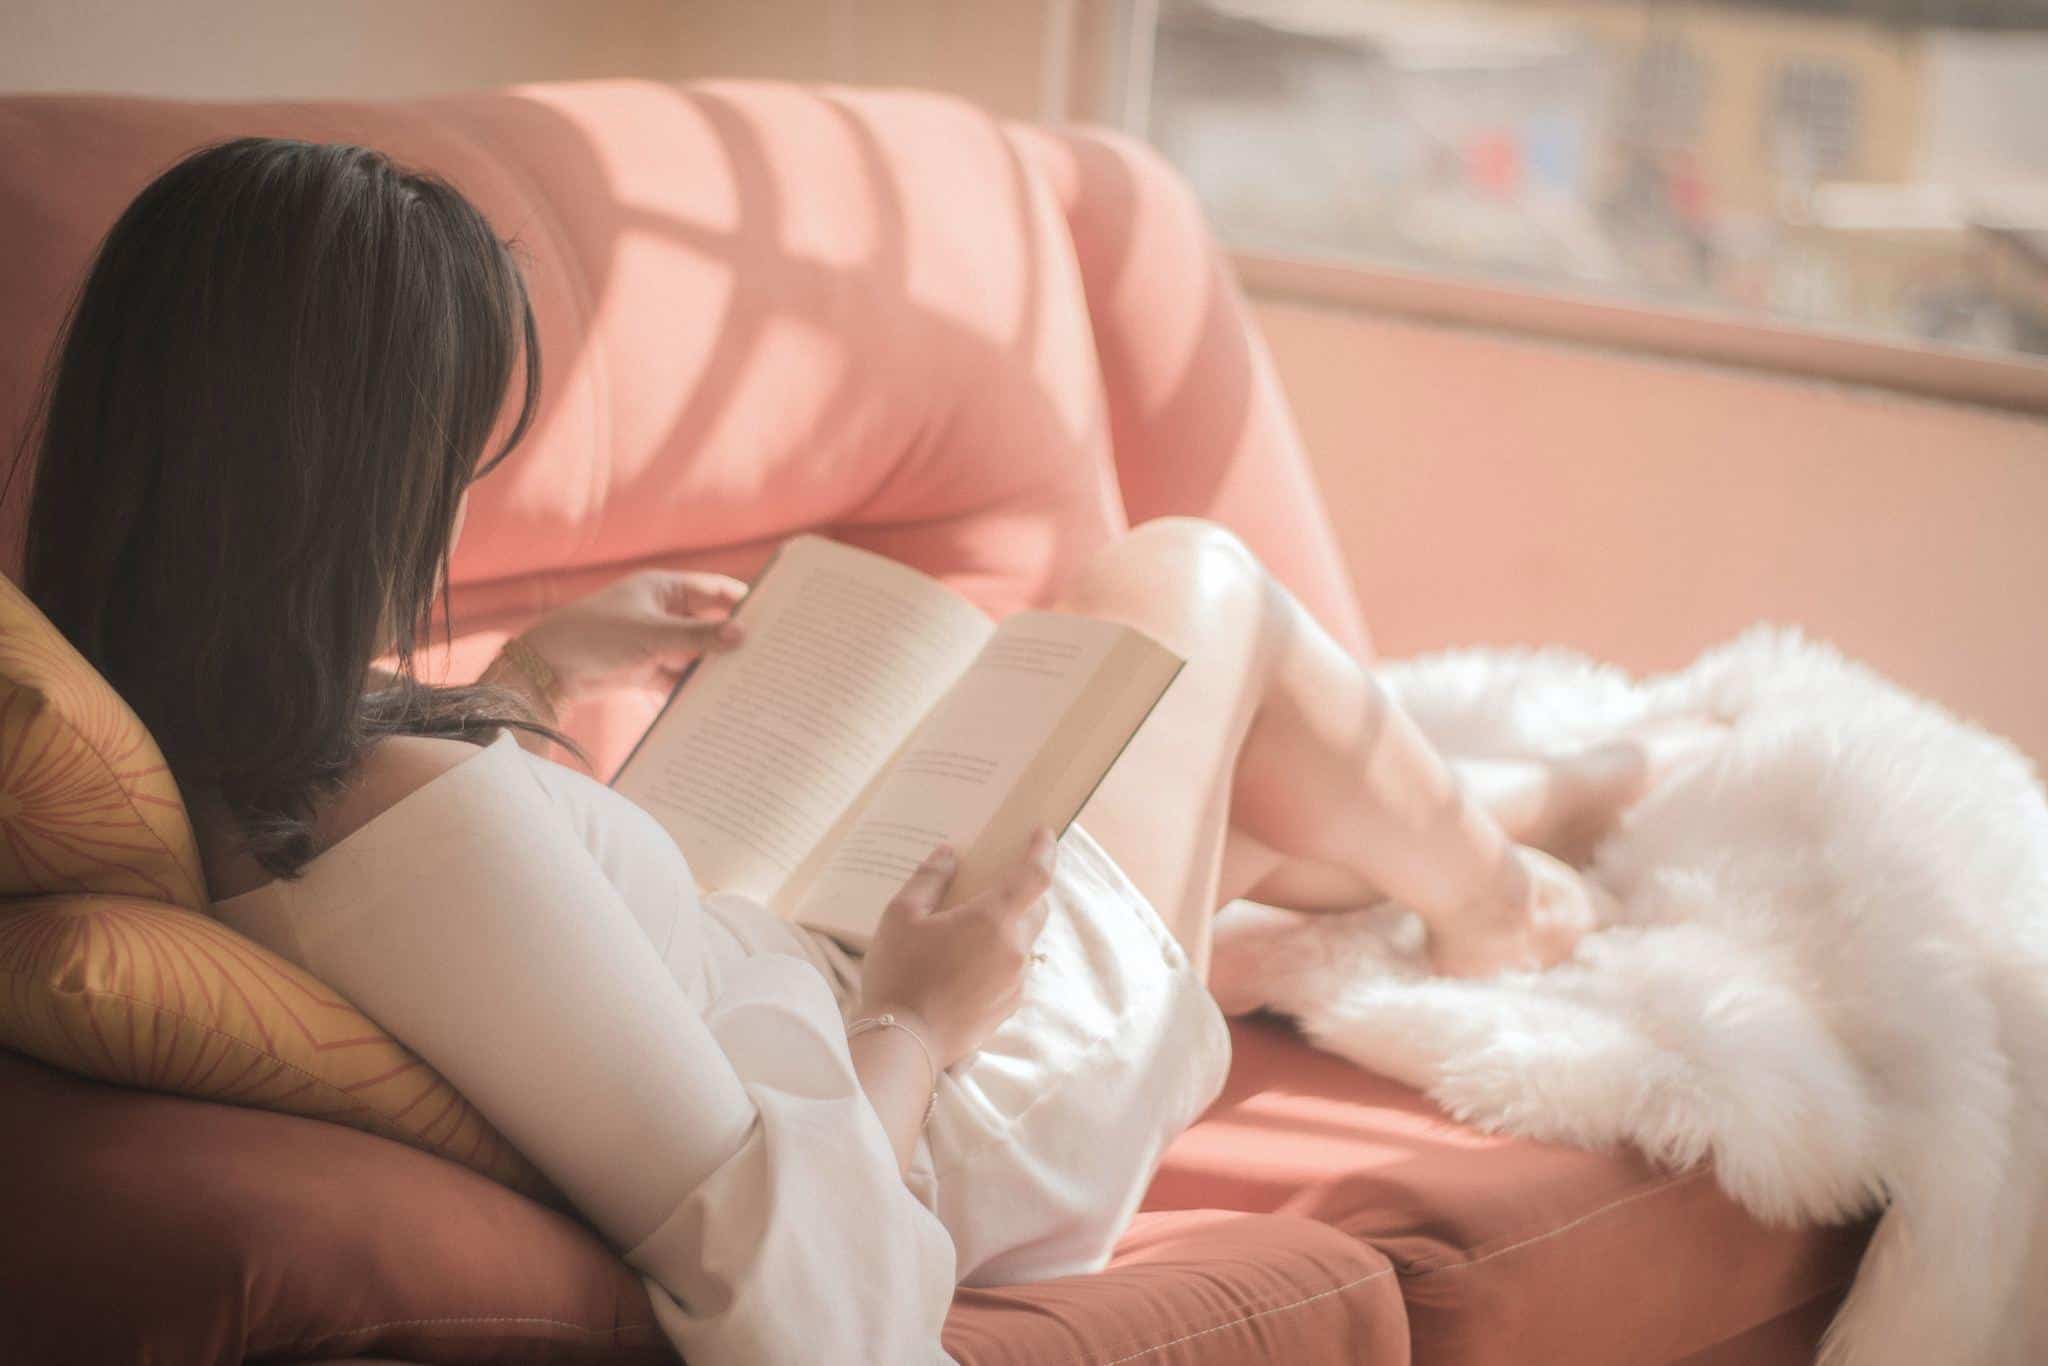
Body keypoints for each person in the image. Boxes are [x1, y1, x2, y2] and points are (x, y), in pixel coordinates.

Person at [12, 138, 1715, 1365]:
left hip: (809, 991)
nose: (454, 501)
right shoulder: (402, 833)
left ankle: (1467, 821)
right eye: (446, 458)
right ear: (337, 484)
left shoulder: (209, 727)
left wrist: (533, 668)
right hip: (951, 1119)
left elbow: (506, 961)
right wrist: (923, 1010)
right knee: (1181, 585)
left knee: (1157, 740)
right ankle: (1505, 903)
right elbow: (796, 1296)